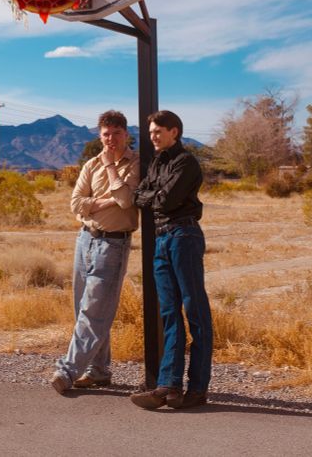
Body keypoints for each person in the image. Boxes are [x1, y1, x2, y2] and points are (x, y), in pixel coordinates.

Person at [51, 110, 139, 394]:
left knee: (94, 311)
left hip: (113, 244)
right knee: (83, 310)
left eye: (116, 133)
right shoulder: (90, 164)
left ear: (126, 134)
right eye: (105, 134)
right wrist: (106, 200)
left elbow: (126, 200)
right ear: (99, 135)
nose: (110, 139)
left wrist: (112, 168)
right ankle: (98, 370)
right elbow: (76, 204)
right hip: (85, 240)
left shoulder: (136, 164)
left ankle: (68, 371)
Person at [130, 110, 212, 410]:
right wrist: (154, 194)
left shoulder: (185, 162)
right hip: (162, 240)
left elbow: (165, 200)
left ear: (174, 132)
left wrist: (154, 195)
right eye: (151, 132)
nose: (153, 136)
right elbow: (138, 197)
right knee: (169, 313)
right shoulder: (156, 163)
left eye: (158, 131)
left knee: (195, 311)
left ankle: (198, 387)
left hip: (184, 237)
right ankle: (170, 386)